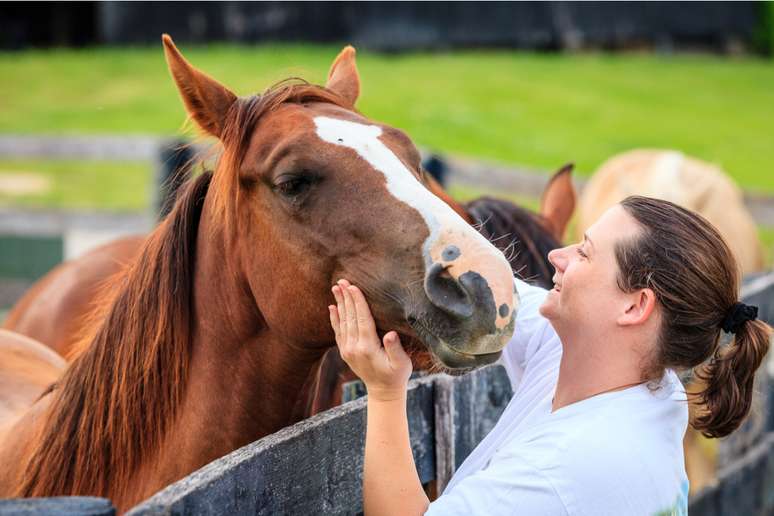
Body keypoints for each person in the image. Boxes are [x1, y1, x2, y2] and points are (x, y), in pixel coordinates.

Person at [328, 196, 771, 516]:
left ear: (635, 306)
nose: (556, 256)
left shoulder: (567, 470)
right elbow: (495, 288)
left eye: (585, 252)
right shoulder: (645, 384)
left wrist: (386, 393)